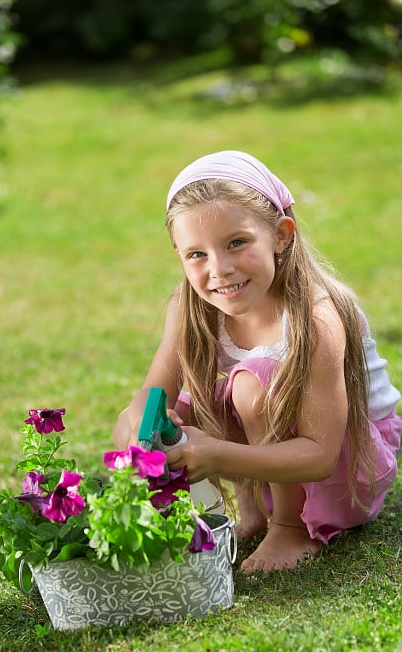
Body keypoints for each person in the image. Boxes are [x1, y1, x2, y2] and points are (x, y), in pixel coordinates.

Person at [113, 150, 402, 573]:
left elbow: (321, 454)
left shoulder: (316, 317)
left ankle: (290, 526)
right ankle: (254, 510)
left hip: (345, 469)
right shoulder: (191, 306)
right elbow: (154, 393)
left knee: (251, 383)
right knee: (180, 407)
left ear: (282, 235)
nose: (220, 270)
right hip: (275, 456)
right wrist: (136, 425)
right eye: (197, 254)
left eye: (236, 243)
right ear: (179, 254)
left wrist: (215, 453)